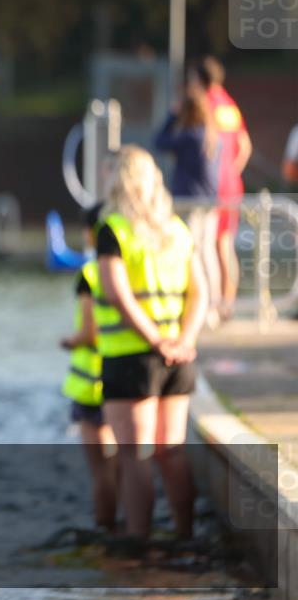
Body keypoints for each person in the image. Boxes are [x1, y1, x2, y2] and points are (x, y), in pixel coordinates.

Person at [91, 145, 208, 541]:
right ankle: (184, 535)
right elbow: (200, 293)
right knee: (170, 451)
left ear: (120, 181)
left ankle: (139, 545)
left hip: (130, 359)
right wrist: (183, 341)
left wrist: (156, 341)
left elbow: (119, 296)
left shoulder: (114, 230)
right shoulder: (176, 228)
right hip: (178, 358)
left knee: (135, 454)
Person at [59, 204, 118, 532]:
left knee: (101, 471)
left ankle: (106, 530)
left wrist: (68, 341)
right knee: (124, 463)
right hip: (123, 379)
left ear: (89, 233)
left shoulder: (91, 273)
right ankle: (129, 524)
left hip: (91, 387)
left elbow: (90, 331)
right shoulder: (135, 267)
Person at [189, 57, 251, 321]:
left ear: (200, 80)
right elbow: (246, 146)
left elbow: (203, 147)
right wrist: (232, 172)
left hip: (212, 187)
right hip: (232, 185)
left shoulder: (205, 106)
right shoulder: (230, 106)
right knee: (226, 245)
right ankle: (228, 301)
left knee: (210, 246)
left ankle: (214, 305)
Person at [154, 88, 221, 322]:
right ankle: (213, 306)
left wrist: (172, 116)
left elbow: (159, 140)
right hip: (209, 202)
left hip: (190, 202)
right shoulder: (212, 136)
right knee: (207, 252)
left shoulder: (189, 136)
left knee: (191, 253)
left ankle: (199, 308)